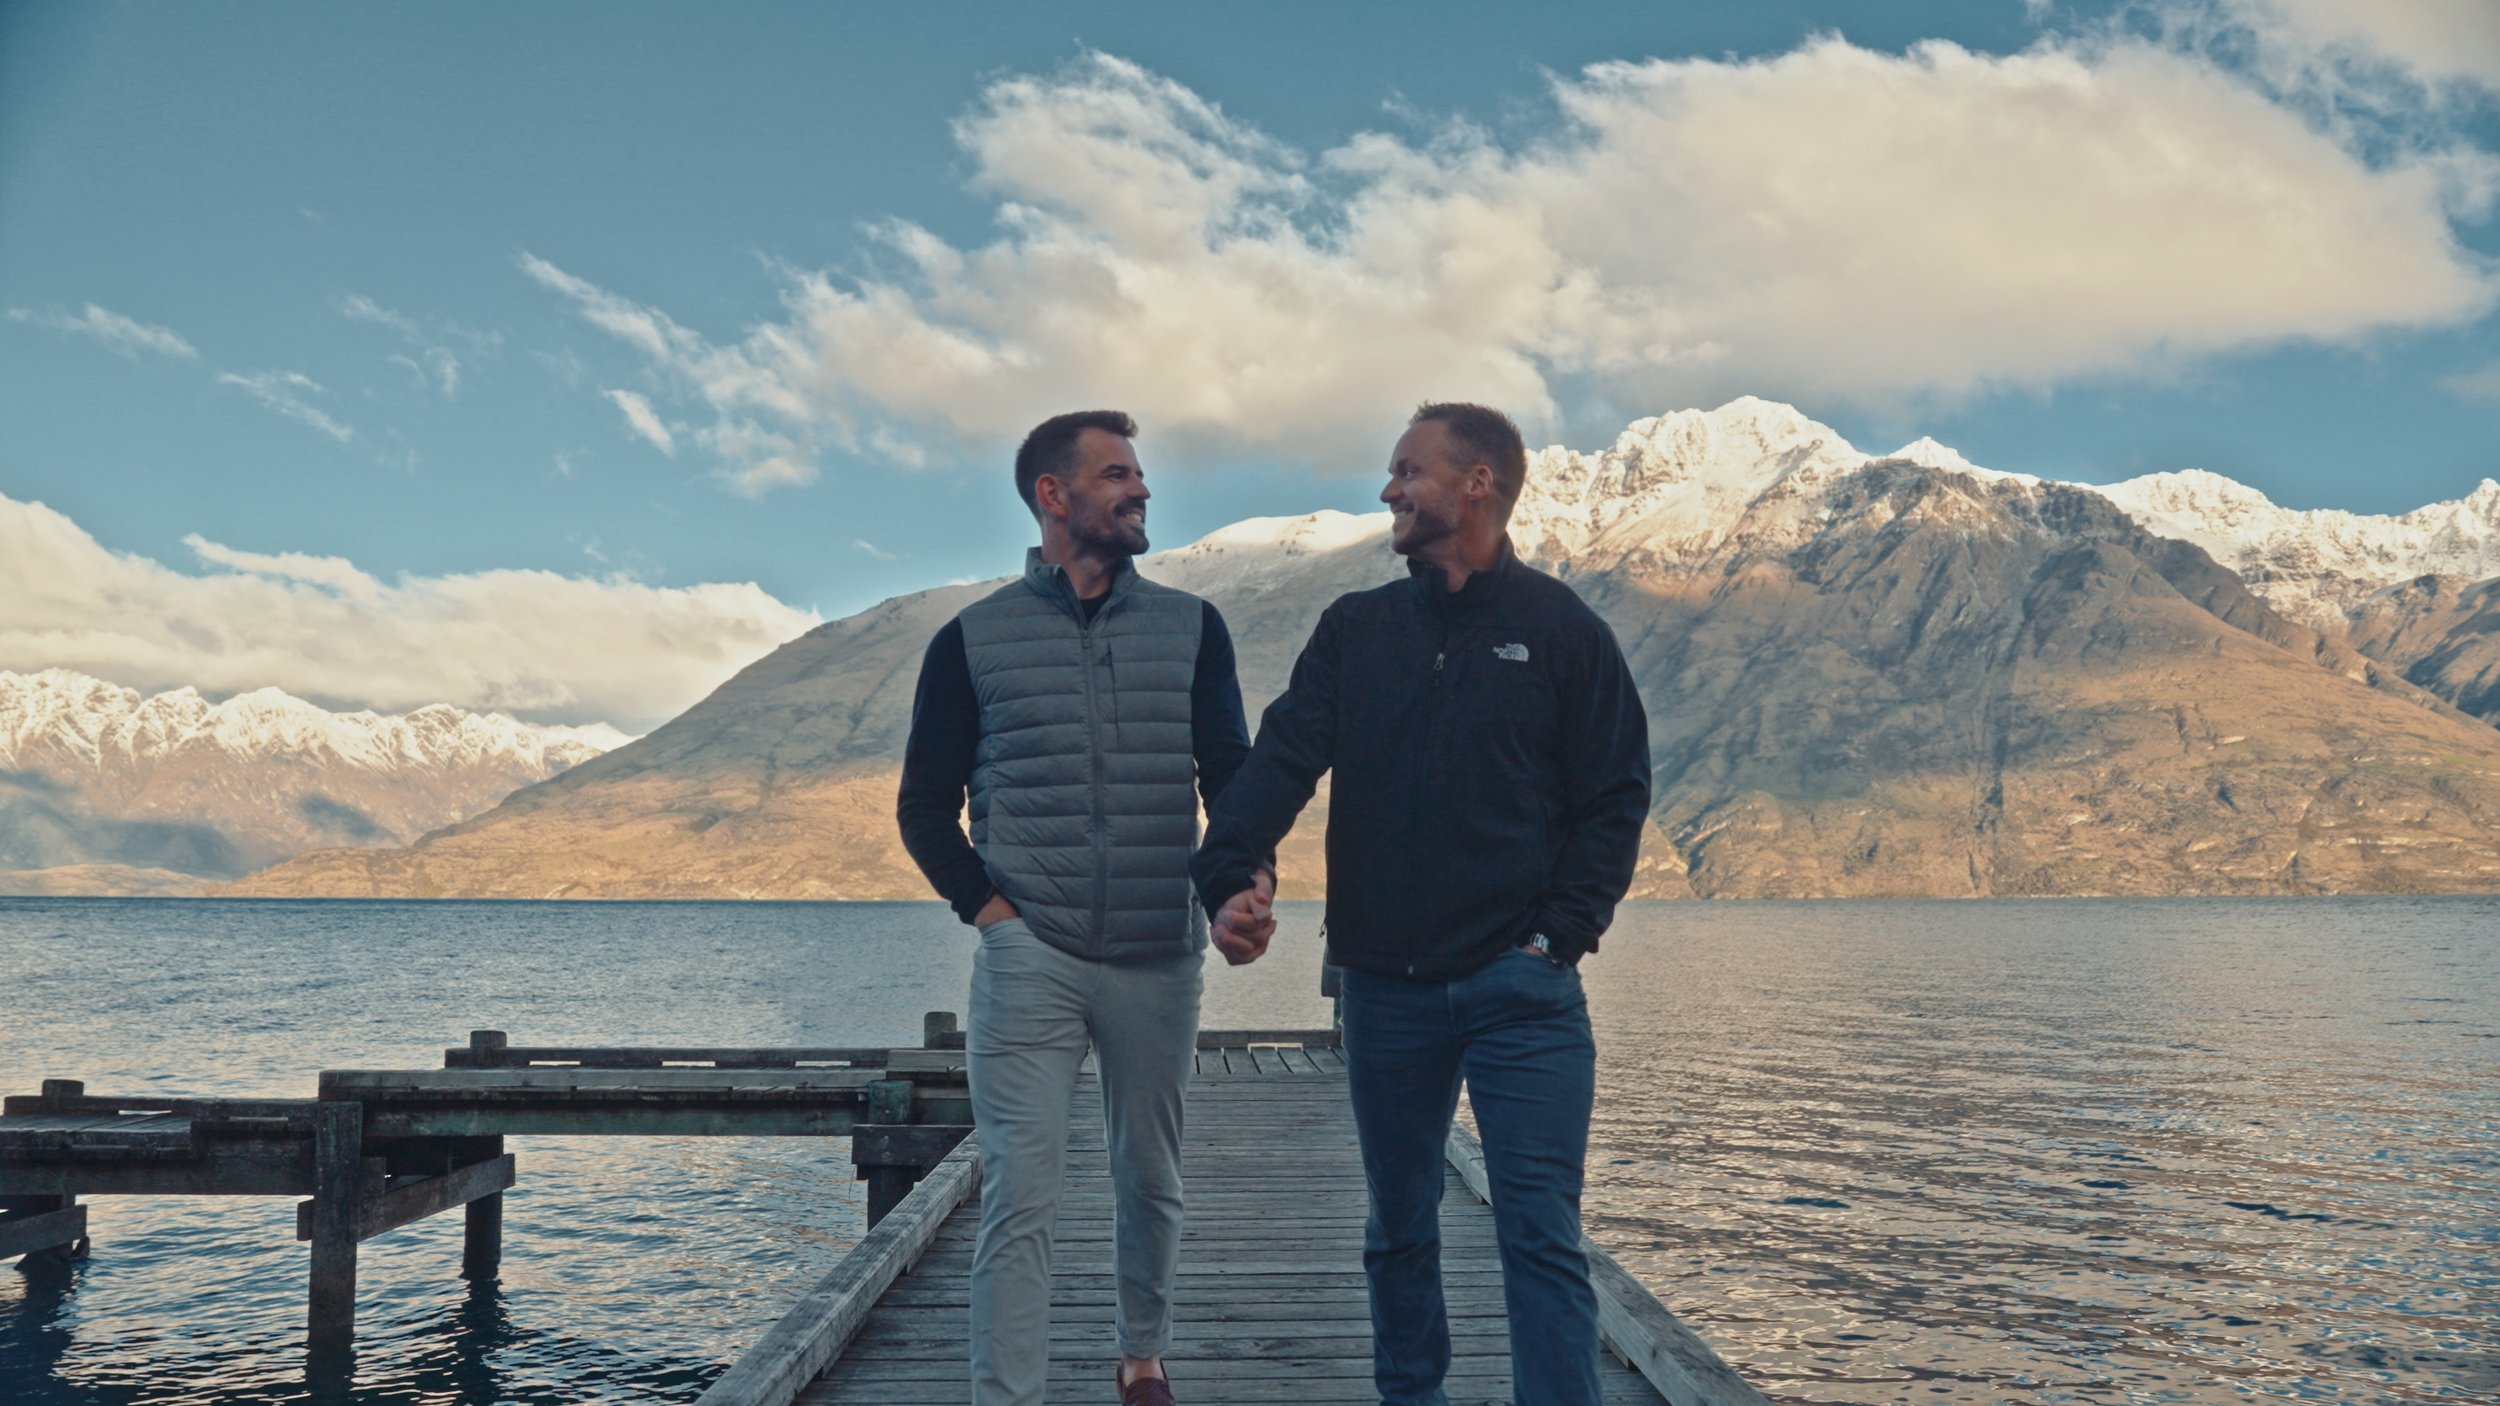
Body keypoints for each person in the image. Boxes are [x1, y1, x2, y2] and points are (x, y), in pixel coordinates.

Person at [1190, 402, 1650, 1406]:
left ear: (1476, 481)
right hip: (1384, 990)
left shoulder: (1562, 631)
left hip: (1521, 989)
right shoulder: (1356, 631)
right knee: (1398, 1226)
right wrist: (1231, 873)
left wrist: (1556, 936)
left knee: (1540, 1233)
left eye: (1408, 469)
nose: (1390, 488)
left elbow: (1615, 795)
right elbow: (1277, 763)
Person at [896, 409, 1260, 1406]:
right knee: (1021, 1189)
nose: (1139, 489)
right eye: (1115, 473)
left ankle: (1141, 1356)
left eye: (1139, 473)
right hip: (1031, 953)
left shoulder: (1194, 627)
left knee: (1151, 1176)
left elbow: (1229, 777)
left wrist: (1242, 880)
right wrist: (991, 913)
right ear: (1053, 495)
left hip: (1158, 948)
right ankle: (1004, 1394)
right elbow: (923, 807)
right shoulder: (970, 641)